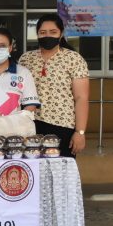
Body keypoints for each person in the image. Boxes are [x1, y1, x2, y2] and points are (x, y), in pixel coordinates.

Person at [19, 13, 90, 157]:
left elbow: (81, 98)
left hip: (62, 126)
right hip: (30, 125)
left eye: (53, 32)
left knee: (61, 169)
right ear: (37, 34)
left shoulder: (74, 59)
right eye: (43, 32)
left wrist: (80, 132)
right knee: (33, 168)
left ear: (61, 34)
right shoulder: (26, 59)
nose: (47, 36)